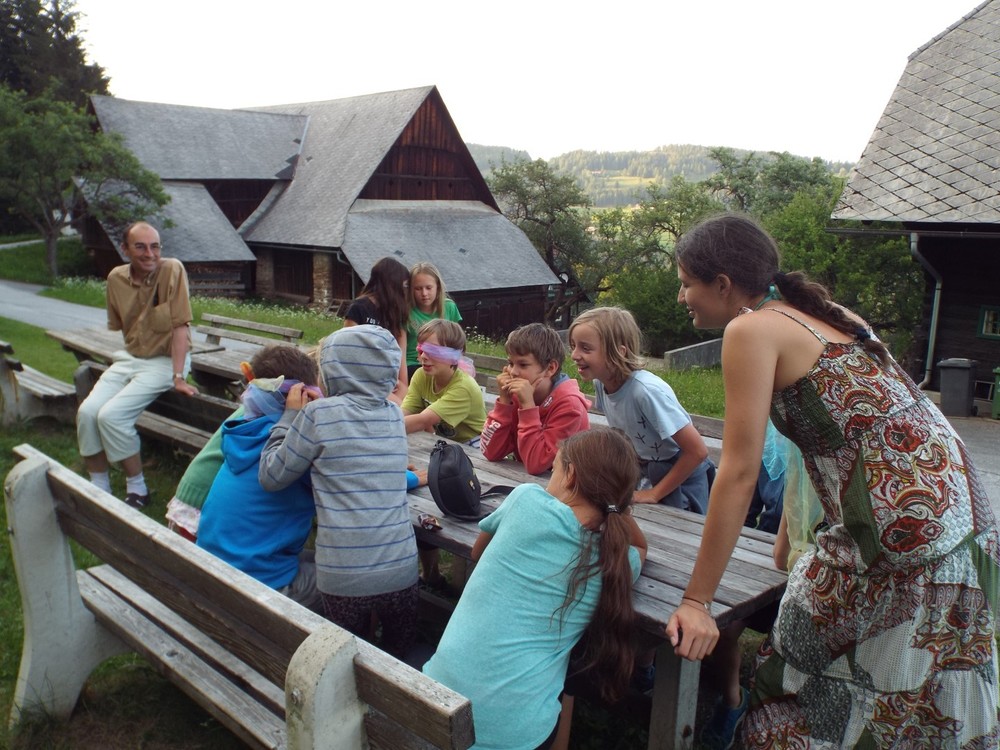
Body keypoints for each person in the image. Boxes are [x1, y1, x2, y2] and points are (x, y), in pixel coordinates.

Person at [668, 213, 999, 747]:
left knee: (806, 662)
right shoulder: (824, 314)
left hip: (902, 538)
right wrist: (791, 533)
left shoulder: (749, 330)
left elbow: (739, 470)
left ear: (723, 284)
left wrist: (697, 601)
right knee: (924, 686)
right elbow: (841, 440)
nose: (682, 296)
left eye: (686, 283)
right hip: (963, 523)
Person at [423, 427, 648, 750]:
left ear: (571, 475)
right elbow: (641, 546)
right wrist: (614, 504)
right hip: (515, 736)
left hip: (434, 705)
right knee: (569, 669)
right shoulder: (618, 562)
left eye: (553, 470)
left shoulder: (526, 499)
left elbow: (477, 552)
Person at [258, 325, 419, 658]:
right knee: (398, 658)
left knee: (346, 660)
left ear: (334, 370)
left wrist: (289, 417)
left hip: (344, 577)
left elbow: (271, 476)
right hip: (402, 570)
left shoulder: (317, 415)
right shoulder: (393, 414)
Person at [76, 221, 197, 508]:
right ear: (125, 249)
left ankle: (138, 489)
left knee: (112, 416)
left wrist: (178, 376)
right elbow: (122, 325)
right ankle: (99, 486)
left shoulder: (172, 270)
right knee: (87, 412)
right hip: (130, 357)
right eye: (140, 247)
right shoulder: (115, 279)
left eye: (155, 246)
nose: (149, 254)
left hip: (166, 361)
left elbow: (180, 326)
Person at [196, 345, 323, 610]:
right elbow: (351, 479)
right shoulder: (295, 448)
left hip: (210, 570)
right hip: (258, 587)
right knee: (349, 580)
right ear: (304, 396)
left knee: (321, 560)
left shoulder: (246, 432)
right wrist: (408, 477)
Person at [567, 306, 713, 512]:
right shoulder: (601, 382)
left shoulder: (646, 392)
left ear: (618, 352)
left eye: (585, 348)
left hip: (679, 478)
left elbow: (697, 451)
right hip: (644, 471)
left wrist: (654, 493)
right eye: (573, 346)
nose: (574, 355)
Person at [480, 323, 591, 475]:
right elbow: (491, 452)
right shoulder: (517, 396)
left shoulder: (569, 406)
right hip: (525, 481)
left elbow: (536, 464)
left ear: (550, 368)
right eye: (511, 363)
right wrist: (504, 403)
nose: (513, 372)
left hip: (567, 485)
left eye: (523, 365)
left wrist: (528, 407)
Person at [402, 319, 486, 446]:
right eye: (421, 349)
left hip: (475, 447)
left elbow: (423, 421)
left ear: (453, 356)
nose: (423, 356)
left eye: (432, 351)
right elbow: (406, 411)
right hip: (446, 443)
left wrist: (384, 429)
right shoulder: (421, 375)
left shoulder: (463, 387)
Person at [343, 257, 411, 402]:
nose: (406, 291)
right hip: (362, 381)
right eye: (404, 286)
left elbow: (401, 356)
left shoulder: (396, 313)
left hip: (390, 381)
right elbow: (348, 352)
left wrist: (403, 387)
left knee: (404, 407)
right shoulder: (359, 308)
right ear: (392, 283)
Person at [405, 262, 462, 381]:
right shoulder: (406, 311)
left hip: (443, 363)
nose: (424, 293)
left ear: (438, 287)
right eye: (418, 289)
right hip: (413, 364)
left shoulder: (449, 307)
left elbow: (457, 343)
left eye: (428, 288)